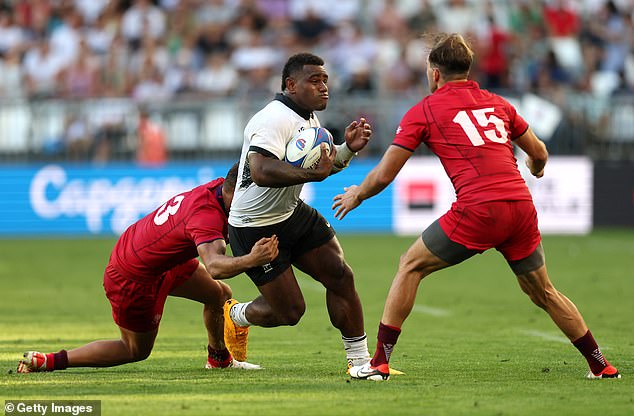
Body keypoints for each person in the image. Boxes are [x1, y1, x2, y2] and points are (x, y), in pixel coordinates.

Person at [332, 33, 621, 381]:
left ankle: (378, 362)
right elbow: (539, 152)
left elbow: (383, 175)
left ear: (434, 73)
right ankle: (600, 364)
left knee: (410, 266)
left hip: (480, 208)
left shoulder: (424, 110)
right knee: (543, 291)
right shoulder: (498, 103)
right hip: (520, 207)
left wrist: (356, 195)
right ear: (467, 69)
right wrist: (537, 169)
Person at [18, 163, 278, 373]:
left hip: (156, 257)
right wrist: (252, 258)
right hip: (133, 275)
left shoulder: (220, 188)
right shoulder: (207, 216)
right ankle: (50, 361)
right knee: (135, 350)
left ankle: (219, 360)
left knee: (219, 295)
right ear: (236, 192)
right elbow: (215, 267)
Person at [224, 52, 373, 372]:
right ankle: (236, 315)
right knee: (290, 312)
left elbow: (317, 168)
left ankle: (360, 364)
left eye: (326, 81)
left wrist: (347, 150)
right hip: (254, 226)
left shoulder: (308, 118)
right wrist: (311, 175)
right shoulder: (273, 119)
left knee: (341, 276)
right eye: (314, 80)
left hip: (290, 213)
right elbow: (261, 170)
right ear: (291, 85)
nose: (324, 88)